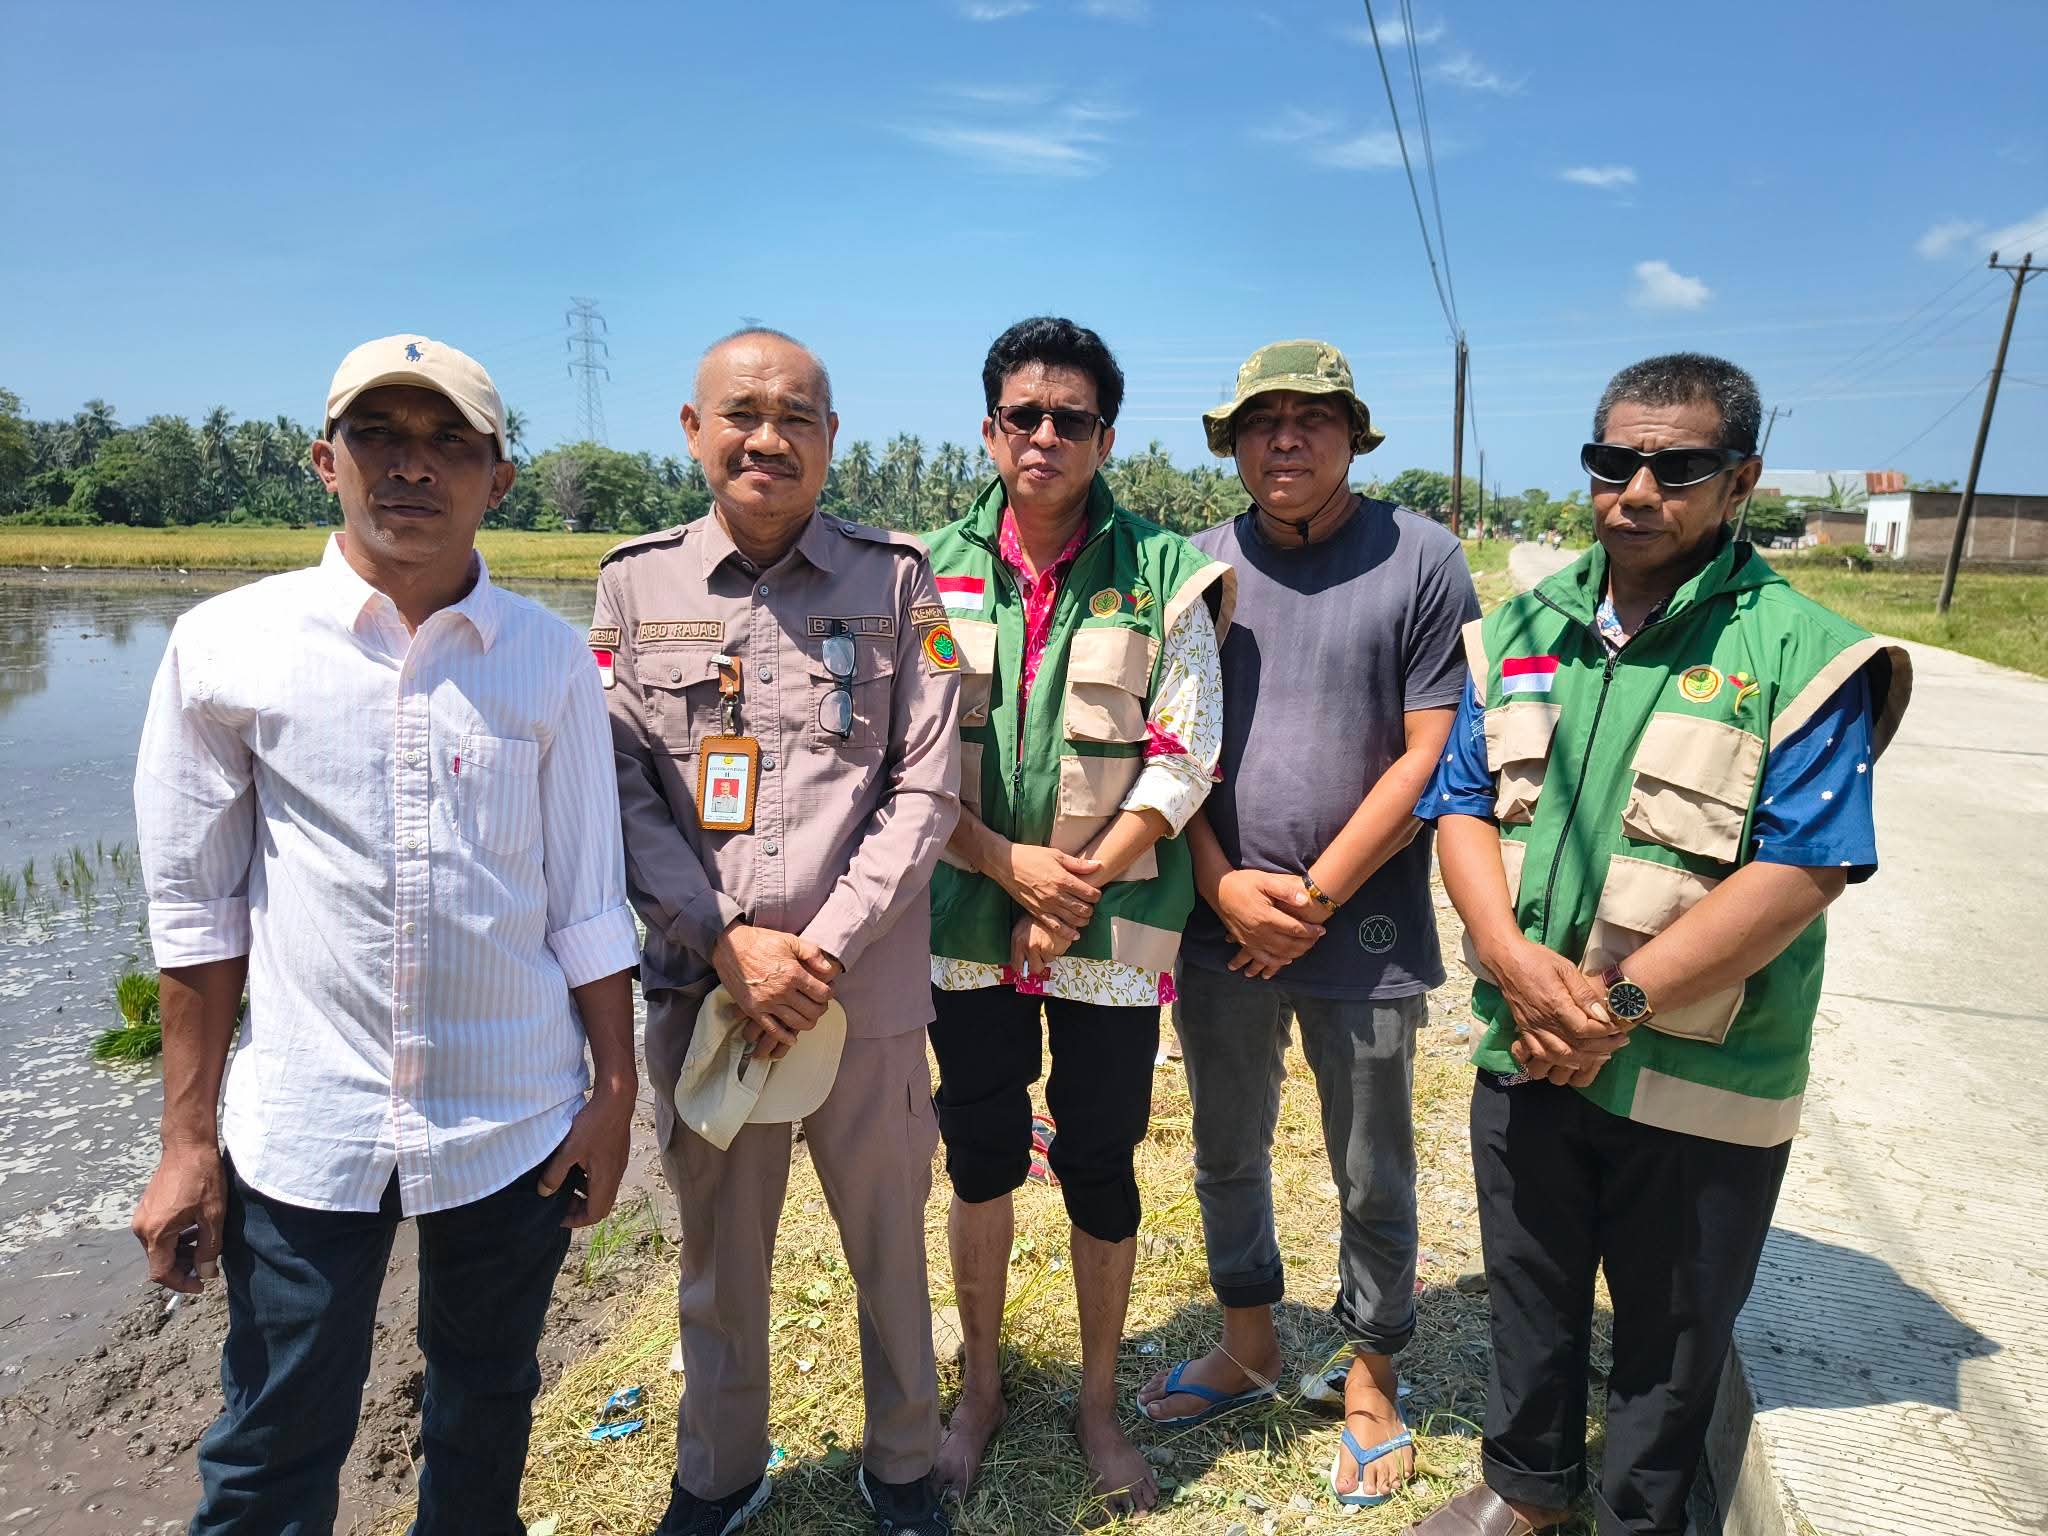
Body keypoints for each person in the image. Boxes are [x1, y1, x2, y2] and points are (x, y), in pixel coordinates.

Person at [131, 335, 641, 1535]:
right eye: (380, 438)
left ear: (497, 479)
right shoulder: (229, 648)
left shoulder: (548, 659)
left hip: (509, 1118)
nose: (413, 469)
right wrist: (186, 1140)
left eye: (449, 444)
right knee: (270, 1444)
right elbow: (197, 916)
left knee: (484, 1416)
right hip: (308, 1125)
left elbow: (585, 901)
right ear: (326, 460)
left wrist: (614, 1092)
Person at [1407, 352, 1912, 1536]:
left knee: (1671, 1328)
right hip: (1523, 1040)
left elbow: (1802, 869)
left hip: (1699, 1071)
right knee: (1528, 1289)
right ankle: (1524, 1488)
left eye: (1674, 467)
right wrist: (1506, 959)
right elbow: (1463, 805)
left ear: (1737, 481)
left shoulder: (1799, 651)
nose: (1636, 489)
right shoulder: (1523, 626)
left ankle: (1636, 1515)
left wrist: (1609, 1009)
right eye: (1612, 461)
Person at [596, 329, 961, 1536]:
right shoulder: (632, 587)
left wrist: (824, 947)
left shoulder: (898, 582)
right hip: (703, 995)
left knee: (888, 1251)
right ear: (693, 431)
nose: (768, 437)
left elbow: (925, 788)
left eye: (796, 415)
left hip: (860, 1001)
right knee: (718, 1260)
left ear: (831, 439)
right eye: (740, 413)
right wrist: (721, 941)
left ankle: (902, 1463)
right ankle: (719, 1471)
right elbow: (621, 781)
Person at [1132, 341, 1479, 1509]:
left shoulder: (1422, 558)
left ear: (1353, 434)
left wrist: (1317, 898)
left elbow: (1429, 751)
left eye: (1311, 418)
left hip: (1361, 926)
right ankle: (1248, 1339)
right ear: (1229, 443)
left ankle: (1373, 1369)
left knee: (1371, 1160)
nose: (1285, 438)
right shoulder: (1191, 565)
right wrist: (1221, 882)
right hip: (1220, 918)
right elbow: (1166, 744)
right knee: (1224, 1142)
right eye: (1260, 421)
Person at [920, 316, 1232, 1515]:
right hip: (964, 917)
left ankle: (1098, 1400)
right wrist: (1009, 869)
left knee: (1100, 1162)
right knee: (982, 1156)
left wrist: (1076, 882)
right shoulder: (924, 571)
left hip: (1110, 932)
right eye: (1022, 416)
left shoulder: (1163, 574)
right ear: (990, 429)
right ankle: (982, 1388)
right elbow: (905, 763)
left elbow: (1184, 749)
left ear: (1107, 434)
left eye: (1071, 419)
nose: (1044, 437)